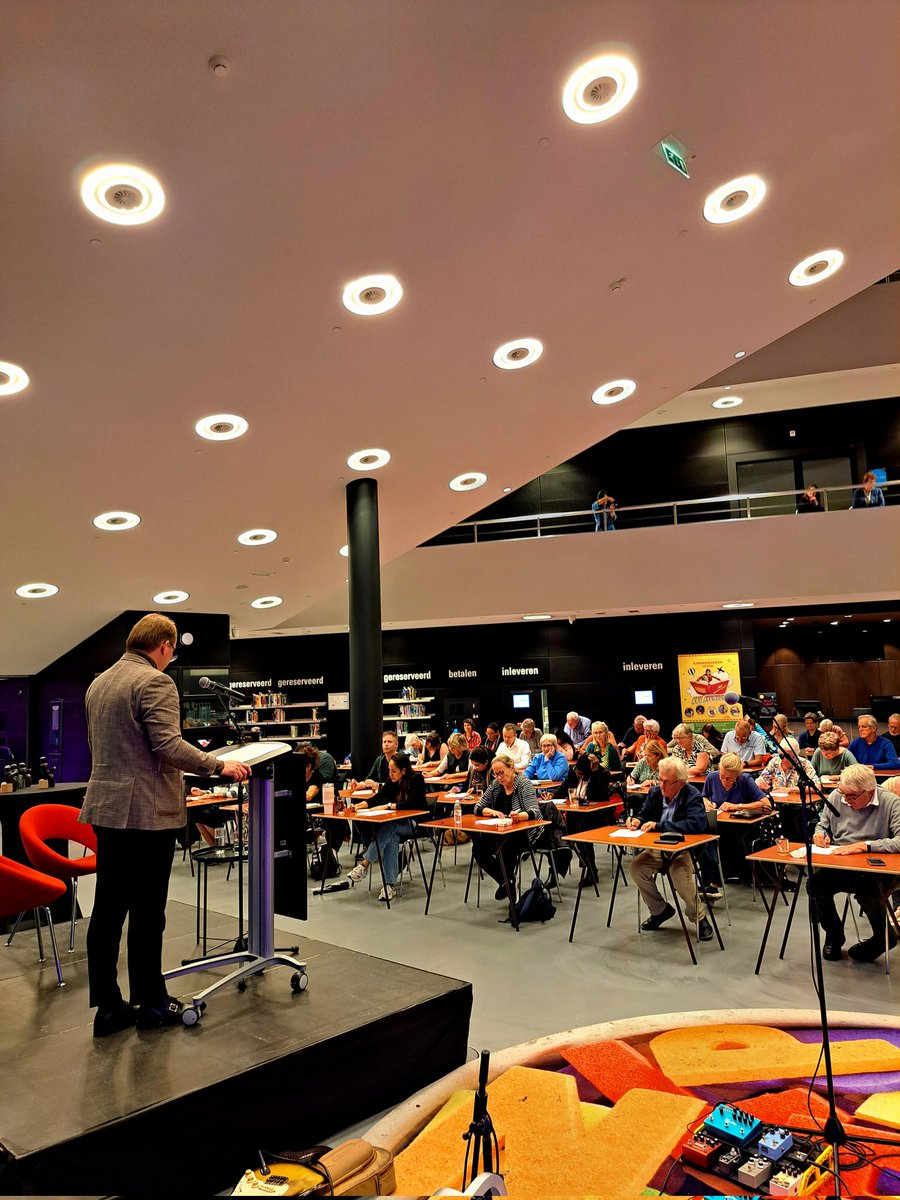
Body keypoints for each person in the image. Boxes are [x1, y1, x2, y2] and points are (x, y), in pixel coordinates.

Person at [80, 614, 251, 1037]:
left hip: (105, 809)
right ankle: (152, 1003)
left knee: (107, 910)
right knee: (147, 912)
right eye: (171, 652)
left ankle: (108, 1007)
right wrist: (218, 765)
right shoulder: (156, 681)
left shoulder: (98, 684)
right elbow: (168, 745)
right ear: (165, 646)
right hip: (146, 814)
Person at [810, 764, 900, 962]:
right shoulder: (837, 796)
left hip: (877, 867)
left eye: (851, 796)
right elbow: (822, 825)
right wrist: (820, 835)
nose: (846, 800)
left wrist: (865, 846)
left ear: (869, 791)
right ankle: (834, 934)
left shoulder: (890, 802)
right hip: (842, 862)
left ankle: (883, 937)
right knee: (816, 883)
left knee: (869, 891)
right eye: (844, 794)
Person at [626, 756, 712, 941]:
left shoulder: (692, 795)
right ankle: (660, 910)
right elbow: (644, 813)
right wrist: (637, 821)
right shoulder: (656, 793)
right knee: (636, 868)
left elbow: (696, 824)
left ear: (680, 783)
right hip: (657, 848)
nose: (661, 785)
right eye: (660, 780)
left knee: (681, 878)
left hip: (682, 849)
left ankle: (700, 918)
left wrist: (659, 826)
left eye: (666, 782)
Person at [345, 753, 426, 902]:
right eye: (389, 770)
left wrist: (389, 806)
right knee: (392, 837)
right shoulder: (392, 781)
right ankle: (389, 886)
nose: (390, 774)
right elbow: (378, 798)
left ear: (403, 770)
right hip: (396, 826)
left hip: (413, 824)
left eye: (393, 771)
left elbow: (413, 803)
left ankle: (365, 864)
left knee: (391, 826)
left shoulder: (416, 779)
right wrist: (358, 806)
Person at [471, 754, 542, 902]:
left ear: (511, 768)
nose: (499, 777)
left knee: (506, 847)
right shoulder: (496, 785)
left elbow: (535, 811)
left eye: (501, 773)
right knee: (478, 847)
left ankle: (512, 901)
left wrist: (519, 816)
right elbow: (478, 807)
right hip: (498, 830)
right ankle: (506, 881)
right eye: (495, 774)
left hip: (522, 832)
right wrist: (491, 812)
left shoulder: (523, 783)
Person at [702, 753, 770, 814]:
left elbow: (767, 804)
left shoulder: (745, 780)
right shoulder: (712, 777)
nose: (725, 781)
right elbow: (704, 797)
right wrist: (706, 803)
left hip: (741, 823)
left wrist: (737, 806)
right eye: (722, 776)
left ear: (738, 775)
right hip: (718, 821)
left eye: (730, 778)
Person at [756, 737, 821, 792]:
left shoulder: (804, 764)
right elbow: (759, 782)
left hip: (798, 804)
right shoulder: (774, 762)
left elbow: (817, 787)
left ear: (796, 755)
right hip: (777, 802)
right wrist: (769, 788)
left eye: (789, 757)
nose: (784, 760)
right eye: (781, 756)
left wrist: (790, 790)